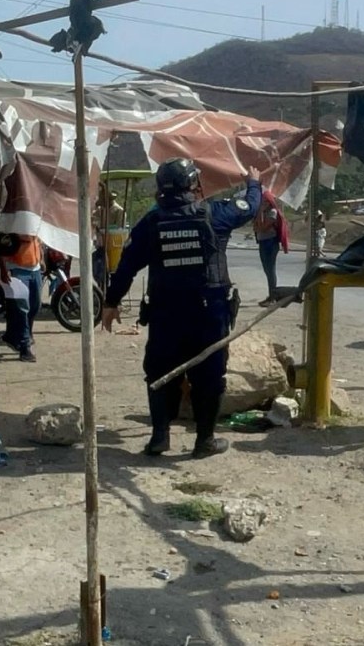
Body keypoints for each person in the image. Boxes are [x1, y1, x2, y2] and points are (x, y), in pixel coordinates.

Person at [101, 159, 260, 459]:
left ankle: (160, 436)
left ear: (161, 189)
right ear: (193, 185)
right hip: (208, 315)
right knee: (210, 376)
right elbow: (250, 207)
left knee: (160, 372)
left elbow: (126, 268)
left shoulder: (151, 223)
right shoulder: (215, 214)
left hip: (166, 314)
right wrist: (254, 182)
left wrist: (111, 302)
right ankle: (204, 441)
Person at [0, 234, 43, 363]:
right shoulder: (14, 220)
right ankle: (25, 347)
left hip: (35, 268)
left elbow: (38, 240)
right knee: (23, 309)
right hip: (17, 268)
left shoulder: (34, 221)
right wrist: (4, 268)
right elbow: (2, 244)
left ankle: (14, 336)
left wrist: (42, 258)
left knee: (35, 306)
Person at [253, 190, 288, 306]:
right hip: (263, 242)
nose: (262, 203)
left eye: (264, 201)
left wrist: (262, 213)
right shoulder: (262, 212)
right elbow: (256, 226)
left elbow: (263, 227)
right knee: (266, 270)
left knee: (270, 270)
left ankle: (273, 297)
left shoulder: (272, 212)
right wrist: (260, 212)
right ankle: (271, 295)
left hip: (270, 243)